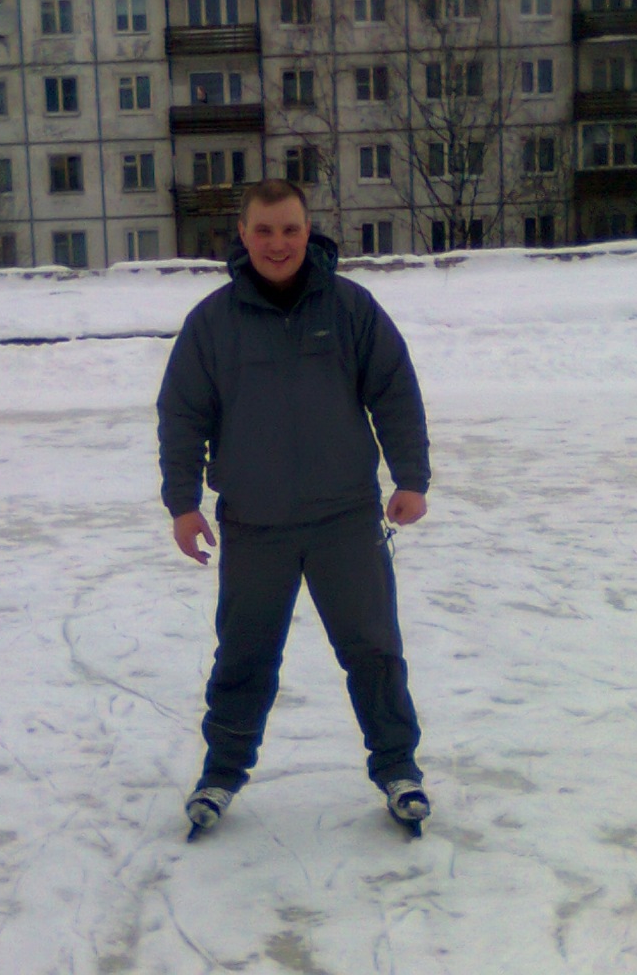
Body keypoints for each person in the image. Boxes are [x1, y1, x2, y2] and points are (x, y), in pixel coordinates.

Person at [157, 179, 432, 836]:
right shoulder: (213, 322)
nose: (277, 243)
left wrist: (411, 477)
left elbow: (394, 391)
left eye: (289, 229)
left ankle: (398, 768)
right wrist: (183, 503)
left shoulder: (350, 307)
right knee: (244, 656)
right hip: (255, 525)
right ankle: (221, 773)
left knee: (374, 651)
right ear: (243, 235)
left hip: (346, 519)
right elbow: (183, 415)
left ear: (309, 232)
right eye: (263, 230)